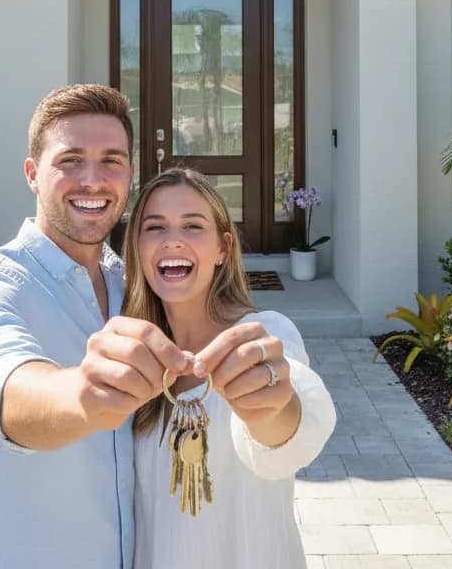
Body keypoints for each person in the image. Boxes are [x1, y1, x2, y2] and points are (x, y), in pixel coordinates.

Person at [0, 84, 193, 569]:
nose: (93, 180)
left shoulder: (129, 285)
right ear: (33, 174)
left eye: (111, 161)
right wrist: (84, 393)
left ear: (131, 175)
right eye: (70, 160)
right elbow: (3, 388)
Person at [122, 168, 337, 569]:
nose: (172, 240)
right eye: (155, 228)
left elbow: (290, 430)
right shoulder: (132, 355)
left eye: (192, 226)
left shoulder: (264, 333)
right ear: (136, 246)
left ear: (222, 248)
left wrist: (271, 407)